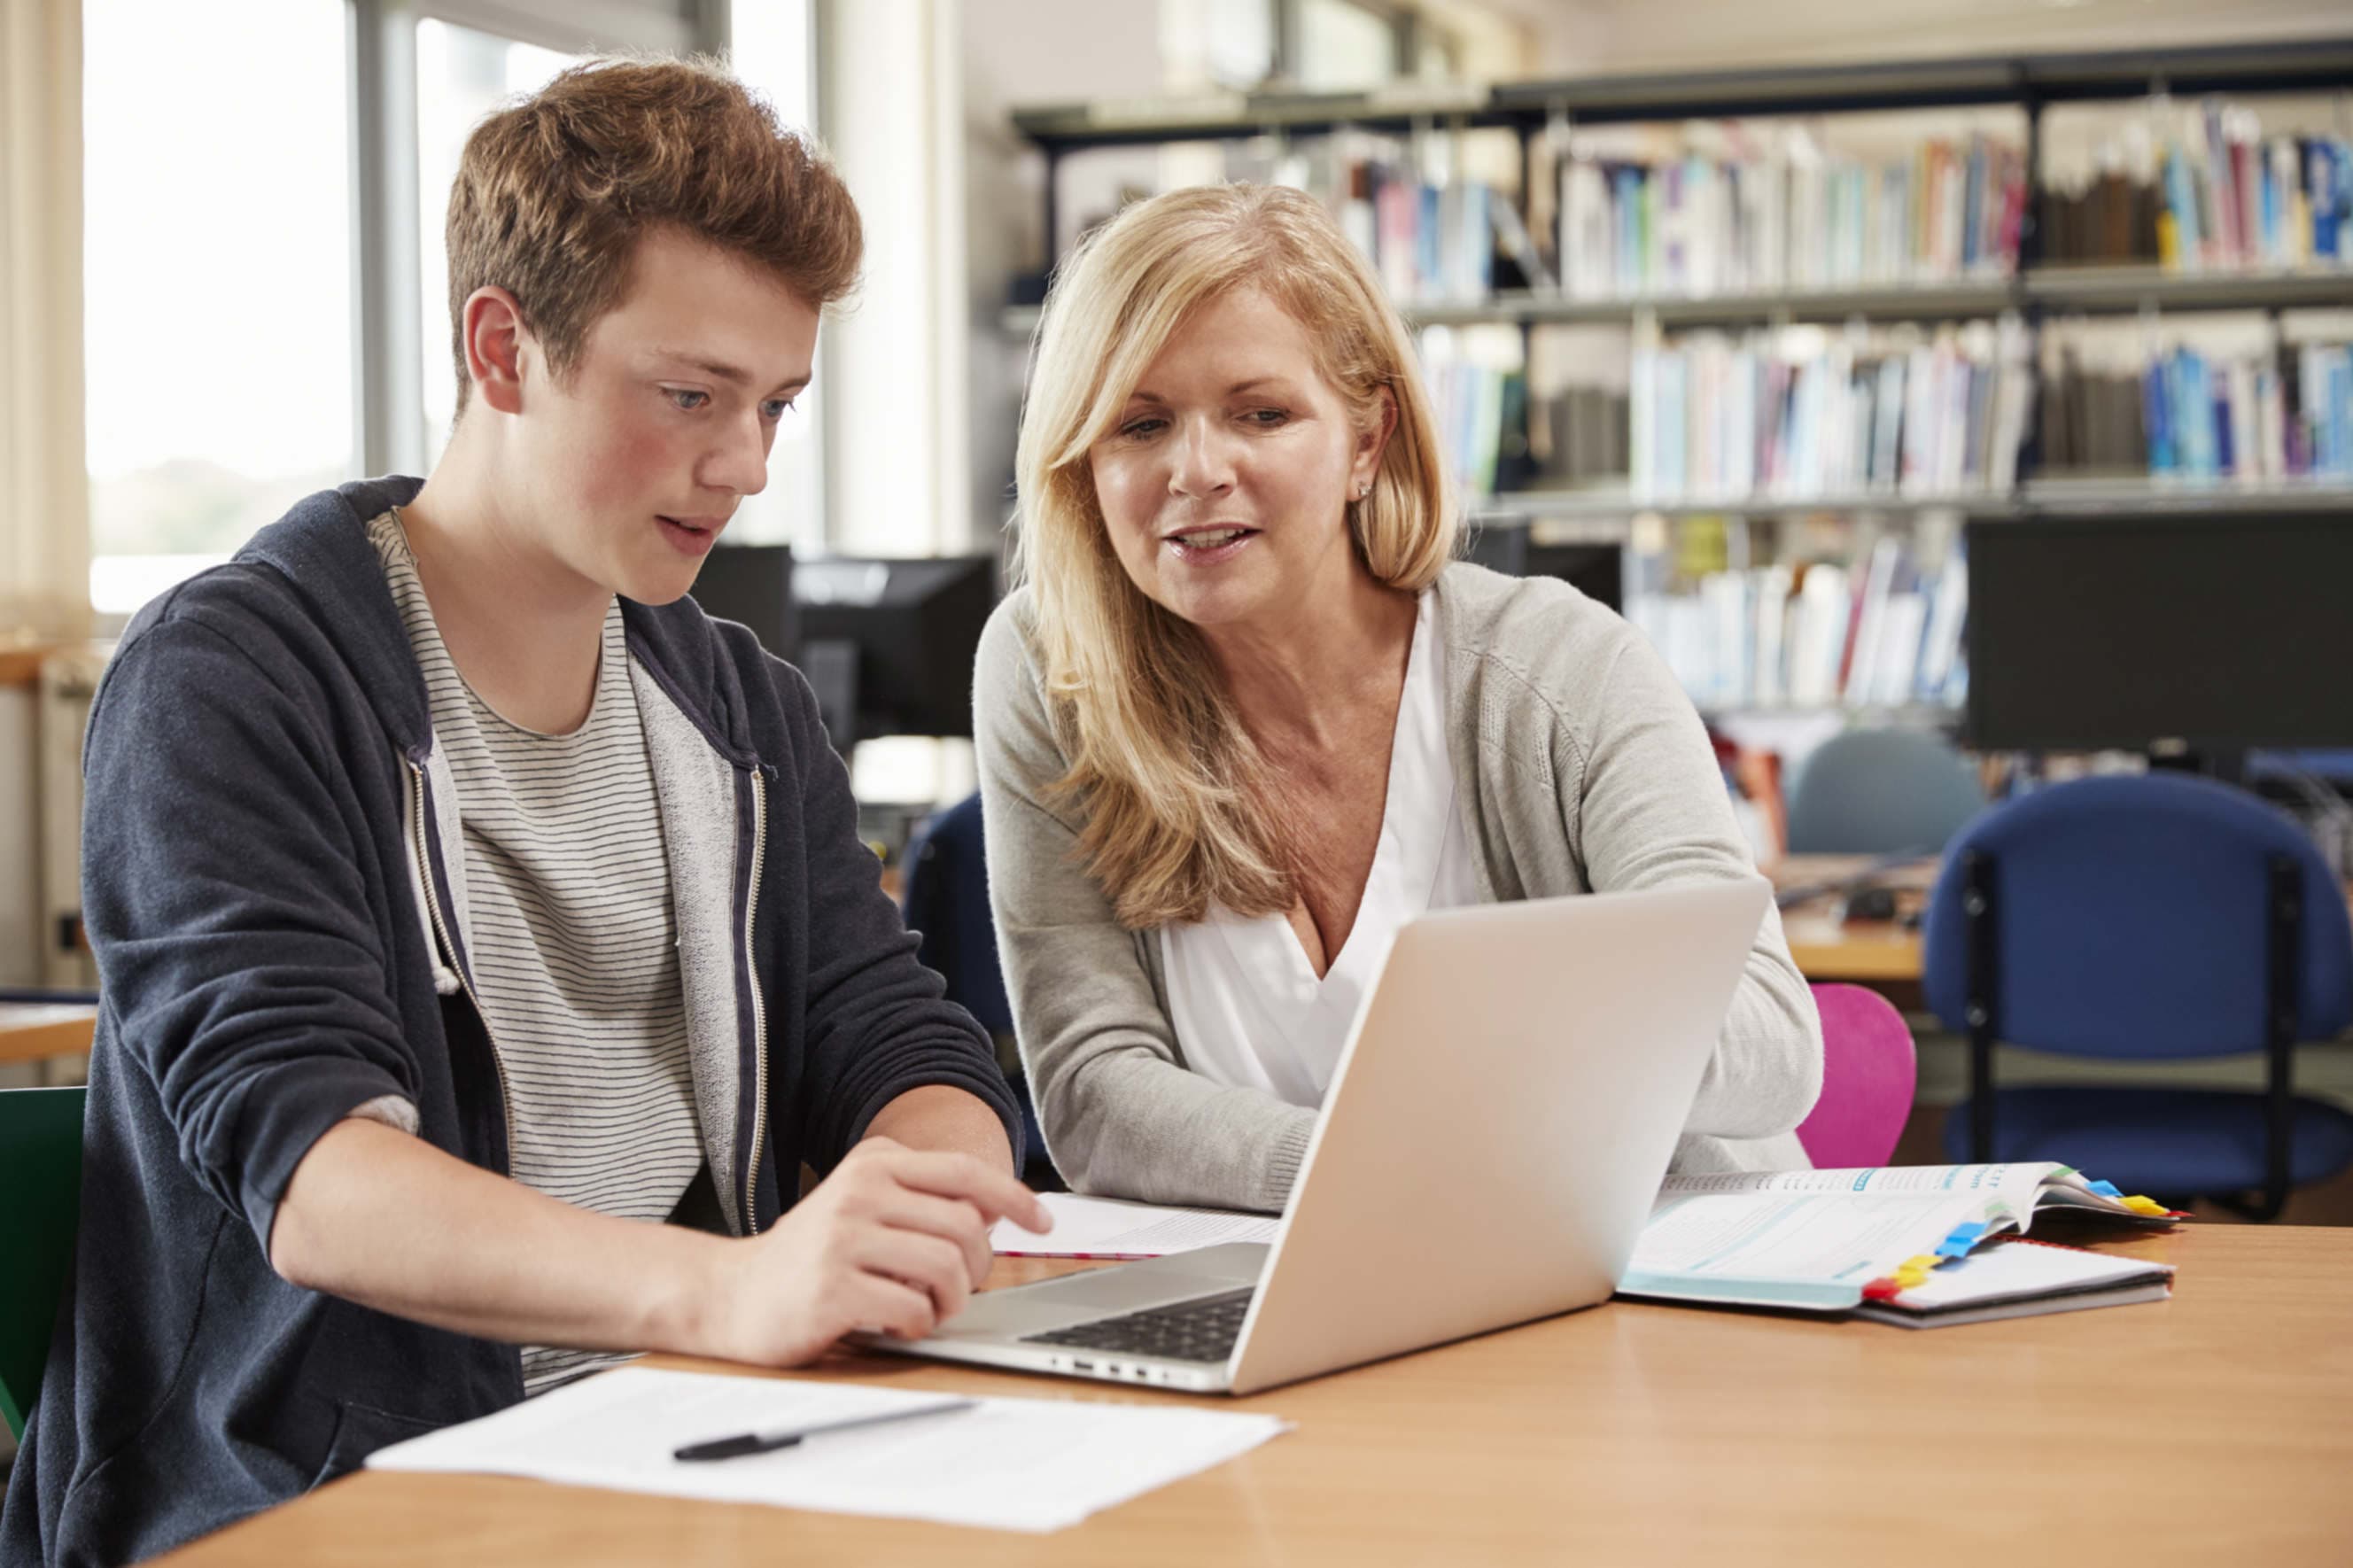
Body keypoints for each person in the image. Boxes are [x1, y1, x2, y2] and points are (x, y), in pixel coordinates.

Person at [2, 58, 1047, 1568]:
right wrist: (726, 1290)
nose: (744, 467)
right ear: (503, 349)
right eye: (690, 395)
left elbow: (896, 1038)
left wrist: (930, 1173)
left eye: (775, 407)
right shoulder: (232, 683)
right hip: (328, 1505)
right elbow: (321, 1184)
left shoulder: (740, 711)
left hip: (685, 1441)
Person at [974, 183, 1823, 1214]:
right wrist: (1369, 1175)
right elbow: (1093, 1092)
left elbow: (1771, 1040)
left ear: (1366, 442)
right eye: (1139, 424)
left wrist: (1485, 1059)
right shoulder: (1050, 670)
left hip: (1655, 1277)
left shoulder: (1560, 667)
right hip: (1304, 1304)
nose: (1194, 471)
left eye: (1262, 414)